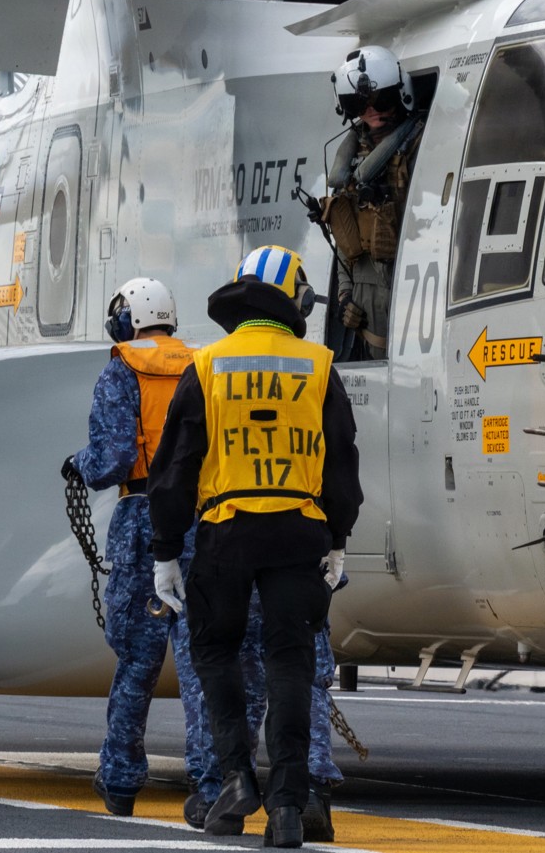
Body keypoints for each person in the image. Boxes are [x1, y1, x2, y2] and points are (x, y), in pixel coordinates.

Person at [147, 245, 362, 848]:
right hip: (299, 530)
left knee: (214, 653)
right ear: (294, 300)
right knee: (290, 662)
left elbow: (177, 464)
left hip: (226, 530)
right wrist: (338, 538)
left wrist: (166, 550)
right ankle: (290, 808)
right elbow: (343, 462)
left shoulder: (209, 364)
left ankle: (237, 778)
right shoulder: (319, 365)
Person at [59, 278, 210, 818]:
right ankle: (211, 783)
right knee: (199, 660)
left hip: (142, 518)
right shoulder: (204, 364)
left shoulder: (121, 368)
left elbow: (113, 458)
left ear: (127, 318)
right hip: (201, 518)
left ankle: (121, 778)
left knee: (137, 660)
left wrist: (78, 463)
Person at [316, 46, 423, 361]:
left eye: (382, 101)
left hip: (406, 281)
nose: (374, 111)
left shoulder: (417, 145)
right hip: (365, 293)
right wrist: (345, 293)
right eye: (363, 104)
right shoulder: (349, 160)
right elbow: (344, 239)